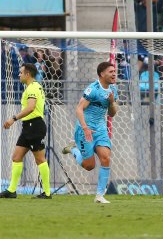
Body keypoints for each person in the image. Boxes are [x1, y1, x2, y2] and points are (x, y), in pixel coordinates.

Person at [62, 62, 118, 204]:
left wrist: (111, 102)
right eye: (111, 71)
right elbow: (79, 109)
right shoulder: (92, 89)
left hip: (100, 129)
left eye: (114, 71)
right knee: (89, 166)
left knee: (105, 158)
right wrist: (85, 128)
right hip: (85, 129)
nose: (114, 74)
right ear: (102, 74)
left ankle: (99, 196)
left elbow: (112, 113)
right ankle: (73, 149)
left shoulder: (113, 90)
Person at [0, 63, 50, 199]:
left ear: (28, 74)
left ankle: (47, 192)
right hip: (28, 127)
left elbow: (31, 107)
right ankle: (11, 191)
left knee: (40, 159)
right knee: (16, 157)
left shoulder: (33, 87)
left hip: (35, 127)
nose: (19, 74)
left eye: (21, 72)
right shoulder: (32, 87)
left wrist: (13, 118)